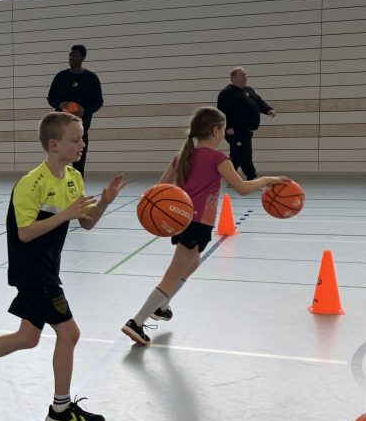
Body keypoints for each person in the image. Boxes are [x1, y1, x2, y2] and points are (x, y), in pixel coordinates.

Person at [0, 112, 125, 421]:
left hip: (48, 267)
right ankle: (60, 409)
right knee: (70, 334)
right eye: (76, 139)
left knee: (27, 337)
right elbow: (25, 233)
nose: (82, 144)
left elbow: (86, 223)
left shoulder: (74, 178)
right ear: (54, 145)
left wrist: (105, 203)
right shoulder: (31, 184)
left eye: (82, 138)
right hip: (32, 269)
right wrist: (65, 214)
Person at [120, 107, 287, 345]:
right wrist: (268, 180)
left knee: (192, 263)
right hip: (196, 223)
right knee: (172, 275)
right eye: (223, 129)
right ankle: (136, 322)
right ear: (216, 130)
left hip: (184, 222)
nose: (224, 134)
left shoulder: (182, 156)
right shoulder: (218, 158)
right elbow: (242, 188)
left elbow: (159, 188)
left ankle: (162, 306)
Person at [46, 44, 104, 175]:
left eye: (75, 55)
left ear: (83, 57)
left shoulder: (91, 78)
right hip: (61, 128)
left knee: (78, 164)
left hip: (80, 128)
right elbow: (51, 98)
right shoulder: (61, 77)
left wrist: (84, 110)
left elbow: (98, 102)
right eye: (70, 55)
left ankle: (78, 187)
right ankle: (61, 187)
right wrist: (60, 104)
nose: (71, 58)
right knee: (60, 163)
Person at [216, 67, 275, 180]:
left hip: (246, 131)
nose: (245, 77)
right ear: (233, 78)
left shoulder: (249, 90)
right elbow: (221, 112)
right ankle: (252, 177)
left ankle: (231, 179)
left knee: (236, 155)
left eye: (245, 74)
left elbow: (259, 101)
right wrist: (228, 126)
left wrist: (268, 110)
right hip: (234, 131)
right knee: (244, 153)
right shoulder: (227, 92)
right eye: (242, 75)